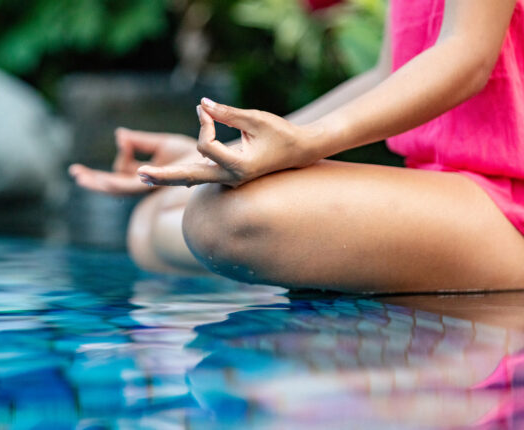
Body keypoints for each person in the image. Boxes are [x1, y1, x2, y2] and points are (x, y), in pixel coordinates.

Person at [69, 0, 524, 294]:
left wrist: (308, 143)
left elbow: (469, 56)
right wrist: (216, 153)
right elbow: (390, 70)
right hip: (452, 191)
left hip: (510, 200)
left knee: (220, 219)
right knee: (153, 217)